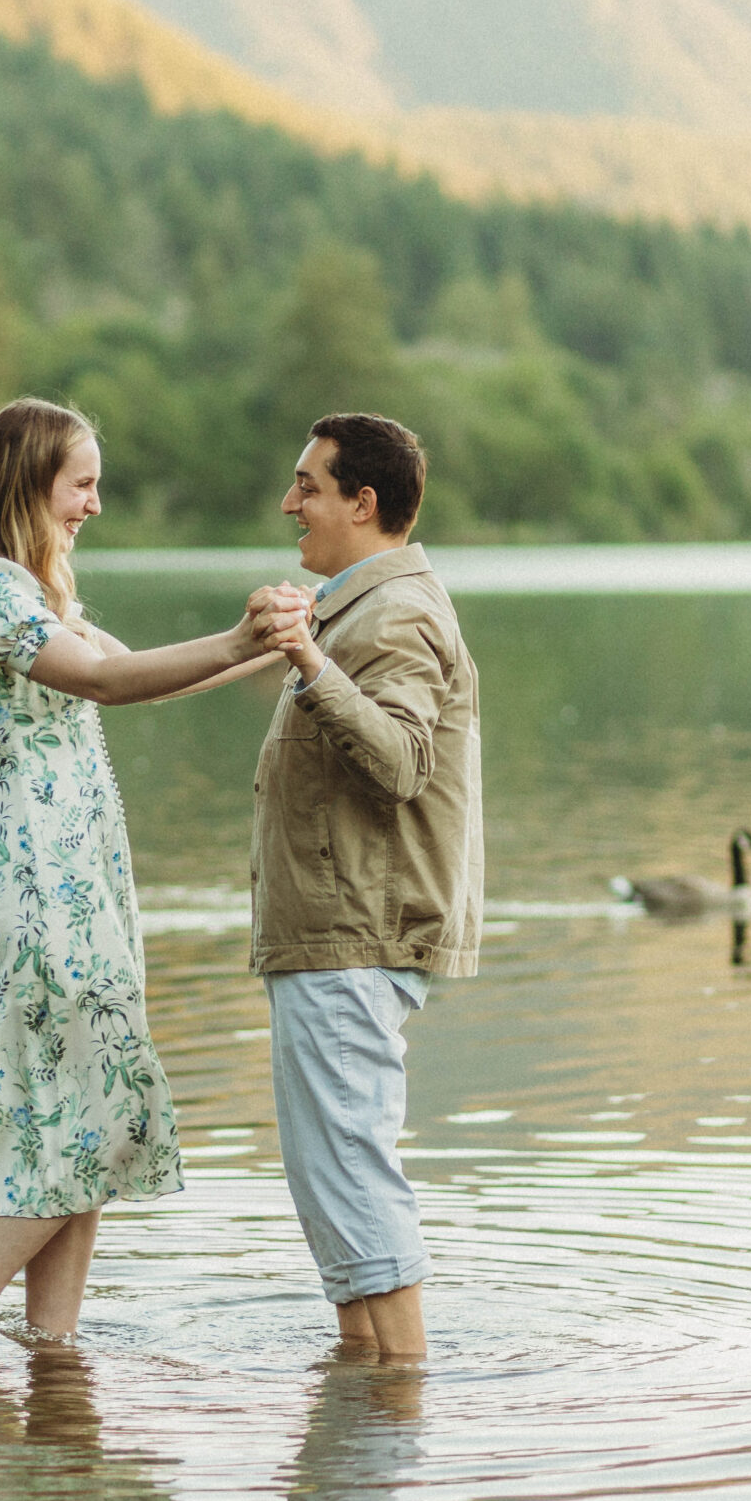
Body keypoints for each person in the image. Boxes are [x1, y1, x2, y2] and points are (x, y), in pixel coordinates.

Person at [0, 397, 309, 1349]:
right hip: (37, 873)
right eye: (81, 483)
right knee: (91, 1110)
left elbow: (150, 673)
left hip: (75, 868)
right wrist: (243, 643)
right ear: (28, 480)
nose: (94, 503)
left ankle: (53, 1350)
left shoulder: (36, 592)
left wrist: (281, 644)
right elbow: (101, 682)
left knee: (81, 1113)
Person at [251, 413, 484, 1362]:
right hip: (329, 935)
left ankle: (397, 1403)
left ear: (364, 502)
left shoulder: (398, 613)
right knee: (330, 1180)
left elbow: (400, 762)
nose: (289, 503)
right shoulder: (356, 607)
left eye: (307, 484)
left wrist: (308, 661)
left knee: (351, 1172)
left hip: (356, 937)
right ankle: (364, 1398)